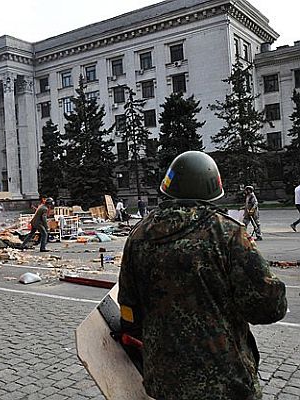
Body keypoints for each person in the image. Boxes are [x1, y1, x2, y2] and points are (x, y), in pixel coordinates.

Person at [118, 151, 287, 400]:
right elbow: (267, 307)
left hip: (164, 381)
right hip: (224, 383)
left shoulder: (139, 235)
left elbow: (128, 311)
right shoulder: (227, 234)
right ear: (211, 190)